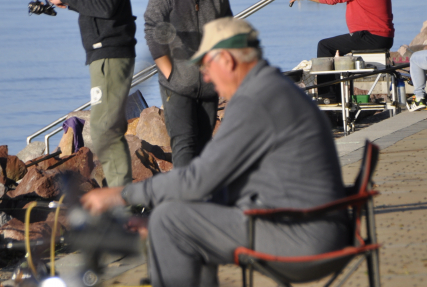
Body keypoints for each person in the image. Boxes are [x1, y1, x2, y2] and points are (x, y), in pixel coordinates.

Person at [81, 18, 348, 287]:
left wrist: (121, 194)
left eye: (207, 67)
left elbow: (197, 180)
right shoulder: (273, 88)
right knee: (174, 219)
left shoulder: (255, 101)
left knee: (169, 220)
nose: (205, 77)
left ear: (228, 61)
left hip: (303, 239)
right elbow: (219, 182)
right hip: (309, 227)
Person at [47, 0, 137, 187]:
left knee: (103, 129)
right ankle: (120, 196)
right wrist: (67, 0)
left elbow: (106, 5)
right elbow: (97, 1)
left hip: (111, 50)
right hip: (102, 52)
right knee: (104, 127)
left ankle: (123, 200)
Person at [143, 0, 232, 168]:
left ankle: (202, 198)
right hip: (176, 86)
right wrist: (169, 71)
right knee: (183, 144)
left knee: (204, 147)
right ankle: (183, 199)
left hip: (209, 85)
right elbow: (152, 30)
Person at [290, 0, 394, 101]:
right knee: (330, 48)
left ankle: (329, 99)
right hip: (372, 35)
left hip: (372, 36)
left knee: (325, 47)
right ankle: (337, 98)